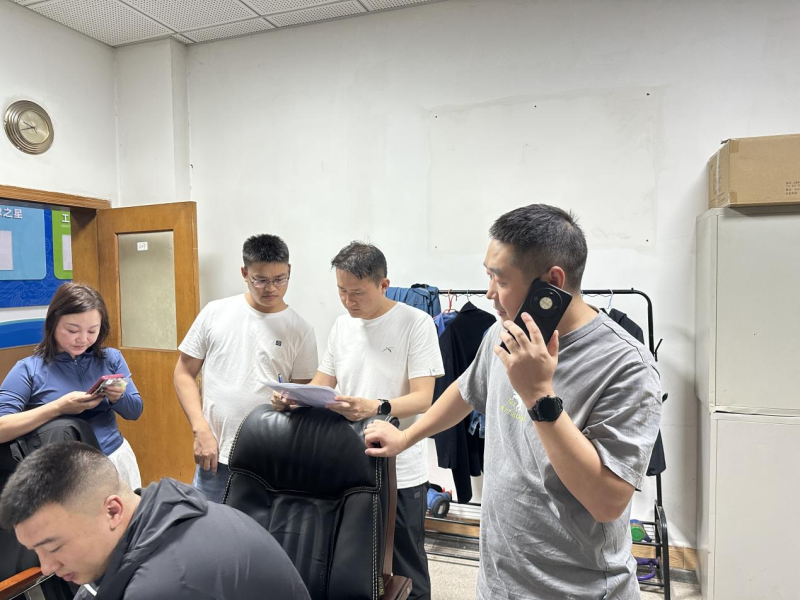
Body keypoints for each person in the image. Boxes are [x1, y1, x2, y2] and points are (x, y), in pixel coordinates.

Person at [365, 205, 662, 600]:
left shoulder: (627, 366)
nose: (489, 292)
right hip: (498, 583)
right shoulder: (503, 333)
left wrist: (538, 395)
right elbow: (465, 391)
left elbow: (607, 502)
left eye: (500, 279)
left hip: (578, 591)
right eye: (488, 276)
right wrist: (407, 437)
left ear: (552, 283)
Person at [273, 241, 444, 600]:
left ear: (384, 284)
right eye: (341, 291)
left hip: (400, 467)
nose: (348, 301)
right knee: (351, 563)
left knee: (406, 566)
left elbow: (423, 398)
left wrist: (375, 406)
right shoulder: (341, 326)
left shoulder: (416, 324)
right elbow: (323, 383)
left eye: (357, 293)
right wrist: (293, 397)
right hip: (348, 463)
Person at [0, 441, 310, 600]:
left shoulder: (170, 582)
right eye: (36, 551)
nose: (46, 567)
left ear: (112, 511)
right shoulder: (159, 506)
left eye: (54, 547)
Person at [175, 234, 317, 503]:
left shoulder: (300, 330)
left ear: (289, 271)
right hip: (215, 455)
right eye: (260, 280)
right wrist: (200, 429)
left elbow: (305, 398)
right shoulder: (215, 313)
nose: (271, 288)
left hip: (269, 458)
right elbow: (183, 373)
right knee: (209, 524)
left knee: (260, 529)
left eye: (280, 279)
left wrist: (290, 403)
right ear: (244, 273)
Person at [0, 282, 142, 488]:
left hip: (114, 457)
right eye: (72, 330)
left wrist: (117, 396)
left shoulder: (111, 358)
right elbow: (2, 427)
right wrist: (58, 408)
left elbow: (135, 411)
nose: (82, 339)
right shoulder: (29, 369)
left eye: (92, 331)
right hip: (61, 472)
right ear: (53, 323)